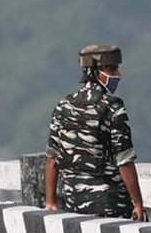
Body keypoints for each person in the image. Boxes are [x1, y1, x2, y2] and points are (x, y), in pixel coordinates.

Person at [44, 43, 145, 220]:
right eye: (112, 70)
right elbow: (124, 161)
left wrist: (50, 201)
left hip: (74, 207)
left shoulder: (63, 106)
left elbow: (52, 159)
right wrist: (137, 204)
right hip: (112, 208)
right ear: (96, 72)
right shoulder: (113, 107)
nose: (118, 75)